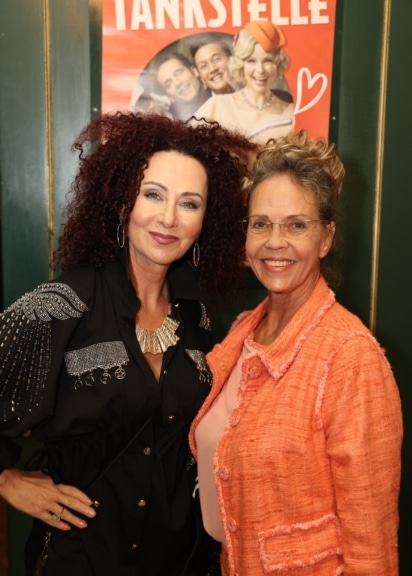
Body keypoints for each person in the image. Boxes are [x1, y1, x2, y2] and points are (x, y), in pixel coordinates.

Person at [0, 112, 257, 576]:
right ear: (122, 202)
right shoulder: (60, 305)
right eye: (153, 195)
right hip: (78, 560)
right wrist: (7, 479)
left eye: (190, 203)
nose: (168, 218)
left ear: (206, 220)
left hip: (177, 559)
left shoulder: (197, 317)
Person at [189, 130, 403, 575]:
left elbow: (372, 543)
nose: (274, 241)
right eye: (261, 223)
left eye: (297, 225)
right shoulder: (244, 329)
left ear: (326, 239)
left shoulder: (350, 357)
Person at [193, 21, 295, 145]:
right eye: (251, 61)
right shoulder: (217, 106)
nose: (260, 70)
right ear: (241, 65)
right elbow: (183, 150)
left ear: (277, 64)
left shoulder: (291, 112)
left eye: (267, 60)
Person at [155, 52, 211, 120]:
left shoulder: (222, 93)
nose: (177, 83)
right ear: (169, 97)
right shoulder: (178, 126)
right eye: (168, 83)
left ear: (194, 71)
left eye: (178, 73)